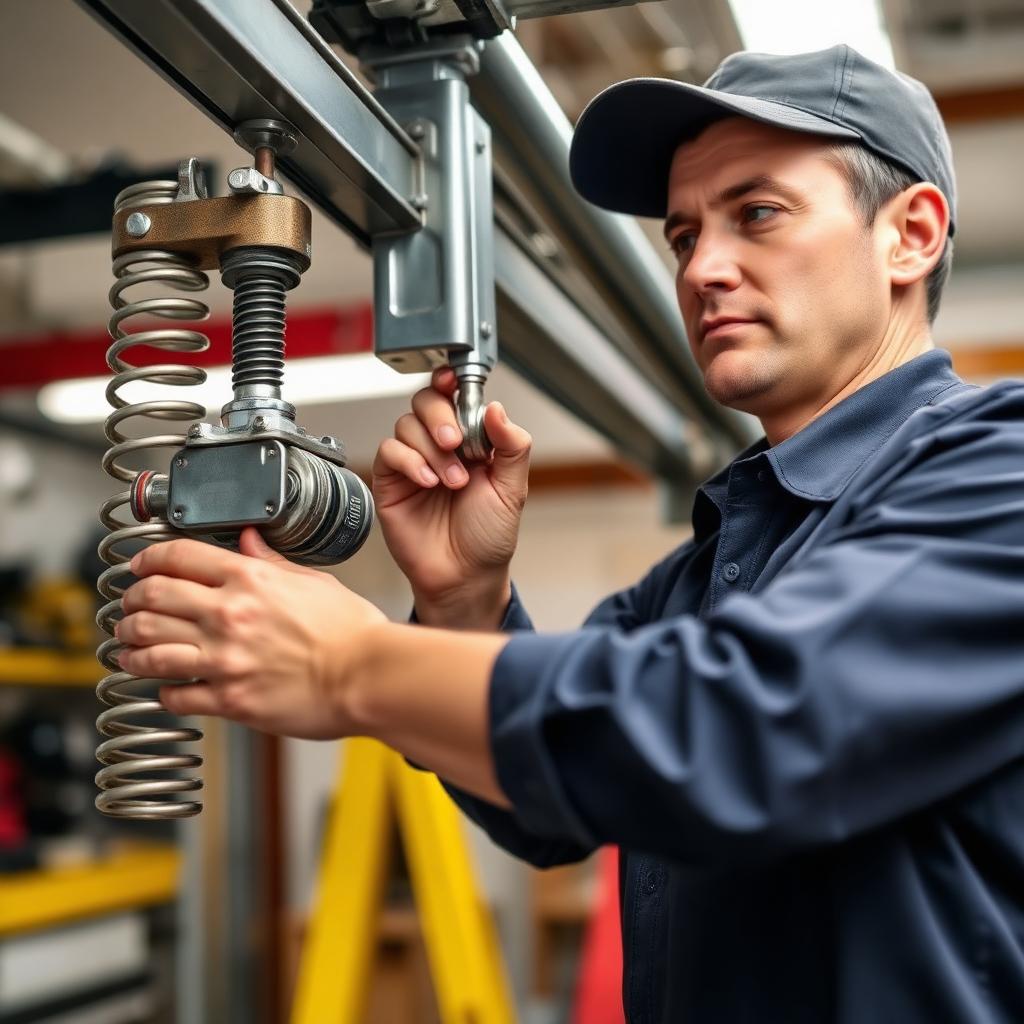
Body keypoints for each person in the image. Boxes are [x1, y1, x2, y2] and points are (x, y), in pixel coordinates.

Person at [115, 44, 1024, 1022]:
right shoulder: (719, 559)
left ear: (909, 235)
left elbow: (737, 727)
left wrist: (352, 664)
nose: (703, 268)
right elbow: (551, 805)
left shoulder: (995, 466)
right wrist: (463, 603)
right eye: (683, 236)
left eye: (756, 213)